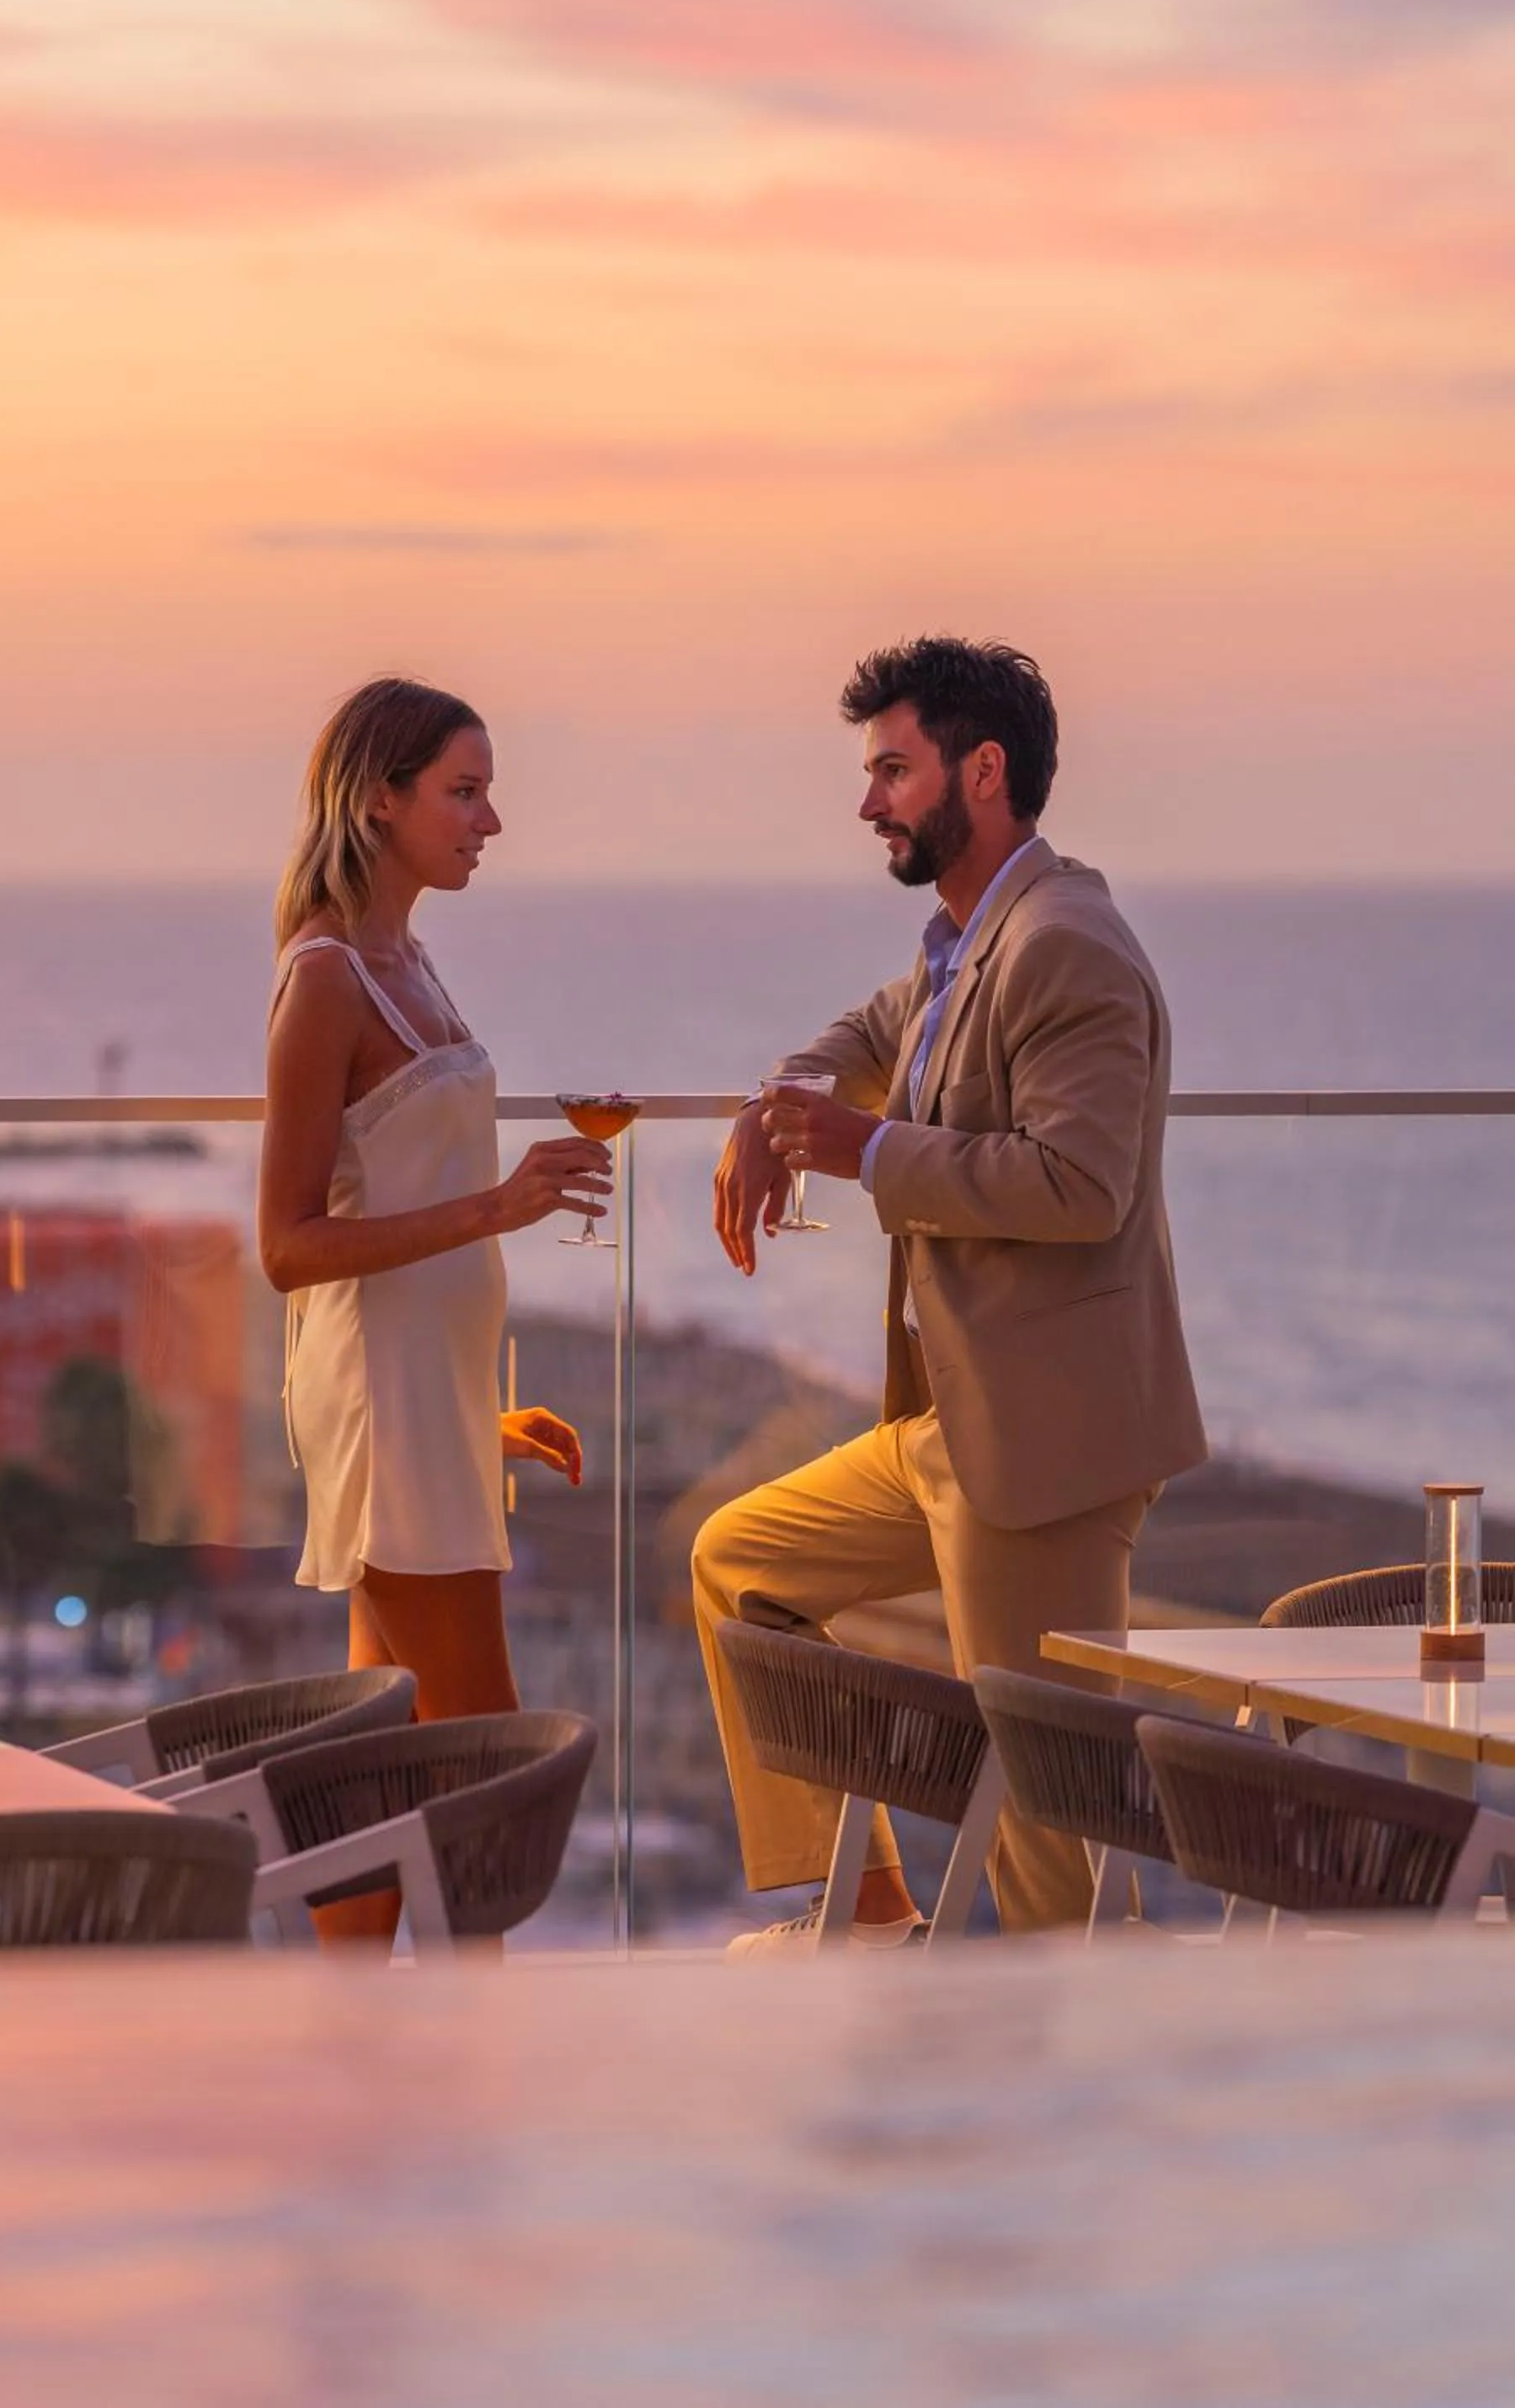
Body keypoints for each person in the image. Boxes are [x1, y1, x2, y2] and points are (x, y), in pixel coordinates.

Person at [700, 636, 1205, 1951]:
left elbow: (1080, 1186)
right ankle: (865, 1907)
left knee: (1053, 1808)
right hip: (952, 1425)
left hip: (1045, 1440)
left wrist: (866, 1152)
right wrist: (779, 1104)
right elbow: (865, 1040)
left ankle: (1073, 2072)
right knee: (739, 1565)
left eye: (891, 771)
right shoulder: (961, 941)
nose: (869, 802)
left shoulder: (1067, 948)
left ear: (982, 773)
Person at [259, 676, 611, 1943]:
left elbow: (407, 1202)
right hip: (384, 1406)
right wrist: (501, 1207)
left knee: (386, 1759)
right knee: (483, 1775)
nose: (490, 823)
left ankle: (354, 2052)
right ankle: (470, 2059)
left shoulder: (411, 962)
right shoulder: (329, 984)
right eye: (464, 794)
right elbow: (290, 1247)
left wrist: (482, 1416)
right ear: (380, 800)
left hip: (427, 1403)